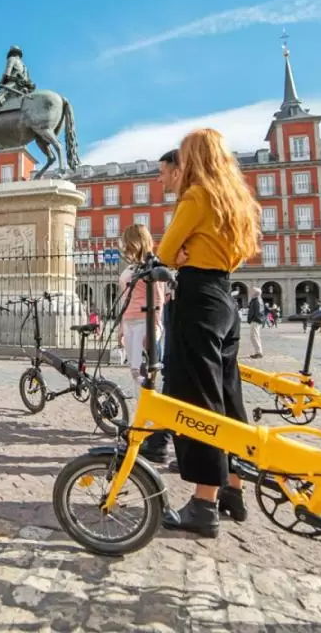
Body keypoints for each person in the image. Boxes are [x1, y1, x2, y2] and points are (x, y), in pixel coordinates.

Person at [155, 129, 259, 538]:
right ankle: (234, 487)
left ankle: (204, 503)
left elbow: (164, 253)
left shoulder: (197, 197)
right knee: (227, 396)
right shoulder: (235, 200)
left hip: (197, 299)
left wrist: (180, 256)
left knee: (196, 400)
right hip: (224, 299)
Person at [139, 148, 181, 467]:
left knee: (179, 374)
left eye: (163, 172)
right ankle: (162, 439)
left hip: (190, 301)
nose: (159, 178)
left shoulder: (194, 202)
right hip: (191, 298)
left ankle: (164, 440)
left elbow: (167, 250)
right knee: (179, 375)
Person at [117, 224, 164, 381]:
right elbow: (124, 299)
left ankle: (148, 402)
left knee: (142, 372)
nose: (125, 247)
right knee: (135, 372)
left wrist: (156, 326)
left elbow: (158, 298)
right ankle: (141, 404)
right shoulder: (132, 267)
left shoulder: (152, 266)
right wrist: (121, 327)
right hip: (129, 322)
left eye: (127, 243)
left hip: (144, 322)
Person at [246, 287, 265, 359]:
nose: (250, 293)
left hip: (255, 321)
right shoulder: (255, 300)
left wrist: (252, 319)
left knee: (254, 336)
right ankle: (258, 352)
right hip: (255, 320)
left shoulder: (257, 300)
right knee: (255, 336)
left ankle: (258, 352)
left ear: (255, 293)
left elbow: (258, 312)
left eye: (251, 291)